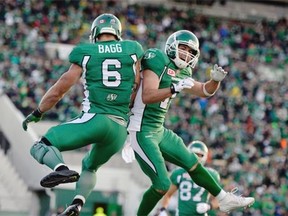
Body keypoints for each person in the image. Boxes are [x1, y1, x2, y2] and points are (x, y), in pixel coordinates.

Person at [22, 13, 144, 216]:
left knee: (41, 145)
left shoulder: (86, 51)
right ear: (117, 33)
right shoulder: (133, 49)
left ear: (95, 33)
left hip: (96, 119)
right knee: (90, 166)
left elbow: (61, 88)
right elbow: (137, 89)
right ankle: (77, 203)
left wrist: (38, 111)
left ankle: (60, 168)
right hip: (120, 130)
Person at [127, 30, 254, 215]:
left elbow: (203, 90)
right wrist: (172, 88)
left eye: (191, 51)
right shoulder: (156, 59)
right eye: (183, 48)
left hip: (158, 129)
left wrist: (215, 81)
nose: (186, 53)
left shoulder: (184, 70)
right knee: (162, 184)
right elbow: (147, 96)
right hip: (140, 128)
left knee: (192, 162)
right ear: (172, 46)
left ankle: (224, 199)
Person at [159, 140, 221, 216]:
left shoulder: (211, 174)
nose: (196, 157)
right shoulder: (179, 173)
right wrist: (163, 210)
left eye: (200, 155)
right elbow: (168, 194)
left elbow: (220, 199)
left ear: (204, 156)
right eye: (194, 154)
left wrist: (209, 206)